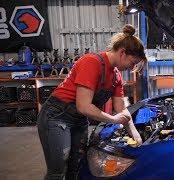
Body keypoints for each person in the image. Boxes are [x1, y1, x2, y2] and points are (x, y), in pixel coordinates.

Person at [37, 24, 146, 180]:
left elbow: (121, 108)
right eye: (132, 62)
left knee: (76, 167)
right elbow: (83, 106)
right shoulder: (91, 62)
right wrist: (113, 119)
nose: (131, 67)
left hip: (79, 119)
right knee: (58, 170)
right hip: (56, 116)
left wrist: (134, 133)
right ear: (122, 53)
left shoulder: (116, 76)